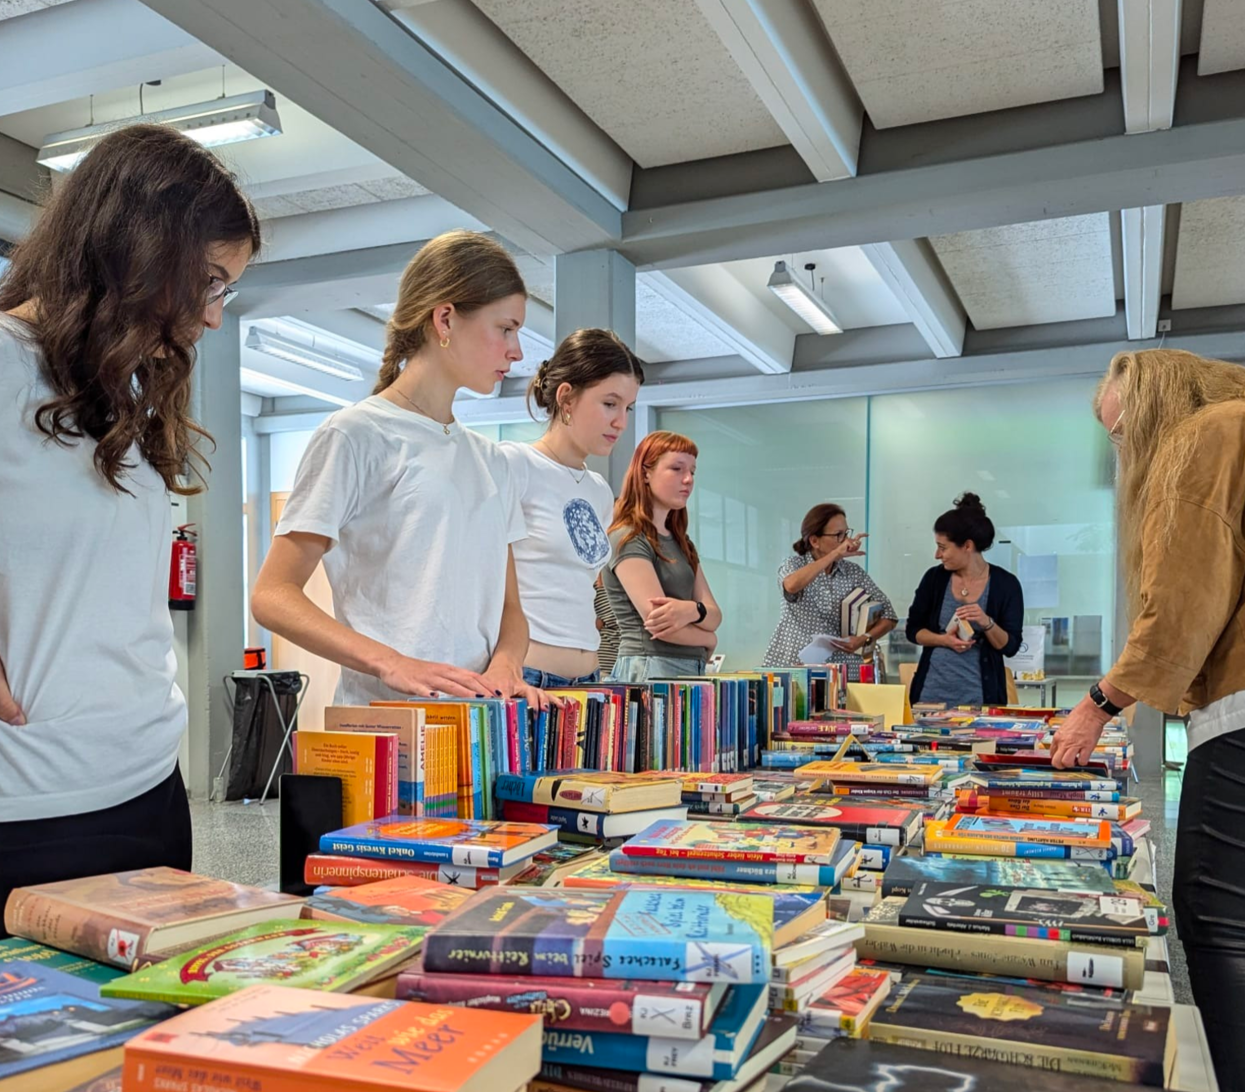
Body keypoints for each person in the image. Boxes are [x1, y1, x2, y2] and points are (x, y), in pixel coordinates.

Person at [0, 125, 260, 912]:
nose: (213, 318)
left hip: (148, 786)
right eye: (209, 282)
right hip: (27, 806)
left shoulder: (125, 391)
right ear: (138, 246)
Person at [1049, 349, 1245, 1087]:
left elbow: (1182, 608)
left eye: (1121, 432)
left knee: (1215, 915)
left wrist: (1095, 706)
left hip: (1239, 717)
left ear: (1158, 404)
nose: (1122, 451)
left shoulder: (1206, 435)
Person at [251, 230, 543, 707]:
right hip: (386, 729)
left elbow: (511, 609)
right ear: (445, 318)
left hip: (481, 731)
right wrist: (393, 662)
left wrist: (508, 663)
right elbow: (272, 595)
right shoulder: (355, 435)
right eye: (506, 329)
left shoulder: (493, 461)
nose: (517, 352)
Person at [502, 329, 644, 689]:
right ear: (566, 398)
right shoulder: (514, 464)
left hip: (588, 681)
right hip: (529, 679)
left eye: (628, 408)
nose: (621, 422)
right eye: (610, 404)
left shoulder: (598, 490)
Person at [604, 431, 721, 682]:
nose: (688, 479)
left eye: (692, 471)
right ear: (646, 473)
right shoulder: (629, 537)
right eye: (677, 469)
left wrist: (690, 610)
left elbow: (715, 614)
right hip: (649, 667)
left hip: (687, 669)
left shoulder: (681, 541)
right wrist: (707, 638)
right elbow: (659, 624)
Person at [905, 493, 1023, 706]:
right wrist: (944, 640)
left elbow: (1011, 646)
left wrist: (987, 622)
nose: (937, 555)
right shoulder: (934, 579)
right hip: (929, 697)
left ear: (967, 546)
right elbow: (913, 630)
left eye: (943, 547)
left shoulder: (1006, 584)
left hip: (981, 699)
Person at [762, 502, 897, 673]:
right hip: (793, 666)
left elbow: (889, 615)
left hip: (841, 669)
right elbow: (791, 586)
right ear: (814, 541)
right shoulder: (793, 564)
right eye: (838, 535)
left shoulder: (853, 572)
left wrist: (864, 638)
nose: (845, 541)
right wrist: (834, 554)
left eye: (846, 533)